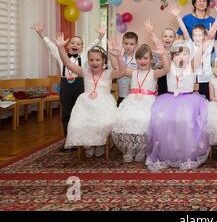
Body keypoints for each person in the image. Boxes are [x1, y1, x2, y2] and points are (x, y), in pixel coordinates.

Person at [31, 23, 105, 152]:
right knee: (66, 114)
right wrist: (41, 34)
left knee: (83, 113)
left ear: (82, 48)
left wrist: (100, 36)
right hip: (65, 86)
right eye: (72, 43)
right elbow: (51, 46)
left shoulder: (84, 56)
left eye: (78, 44)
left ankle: (84, 139)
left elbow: (93, 45)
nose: (75, 45)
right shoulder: (61, 55)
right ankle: (69, 141)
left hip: (80, 85)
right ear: (67, 45)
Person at [146, 38, 215, 171]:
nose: (181, 57)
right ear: (172, 57)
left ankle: (186, 154)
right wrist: (151, 34)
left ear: (189, 56)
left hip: (189, 101)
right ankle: (168, 154)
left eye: (184, 54)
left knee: (187, 123)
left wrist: (207, 39)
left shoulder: (192, 65)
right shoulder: (169, 66)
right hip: (169, 100)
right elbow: (161, 50)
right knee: (164, 122)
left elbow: (201, 51)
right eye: (177, 54)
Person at [55, 34, 125, 158]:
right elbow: (67, 62)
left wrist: (118, 56)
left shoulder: (108, 73)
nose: (94, 62)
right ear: (88, 61)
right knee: (80, 122)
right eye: (91, 60)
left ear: (103, 61)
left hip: (104, 105)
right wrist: (61, 48)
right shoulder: (84, 72)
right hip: (86, 104)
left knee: (102, 123)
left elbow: (122, 72)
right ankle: (90, 144)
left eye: (98, 60)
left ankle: (100, 144)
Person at [112, 42, 169, 163]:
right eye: (139, 58)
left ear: (151, 60)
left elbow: (167, 69)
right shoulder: (133, 72)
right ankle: (129, 149)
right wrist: (118, 56)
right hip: (132, 102)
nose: (142, 61)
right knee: (125, 118)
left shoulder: (154, 73)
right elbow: (121, 69)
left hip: (148, 103)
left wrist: (163, 55)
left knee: (145, 120)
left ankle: (142, 149)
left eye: (145, 58)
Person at [170, 2, 217, 100]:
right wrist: (178, 16)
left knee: (205, 100)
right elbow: (184, 31)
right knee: (191, 99)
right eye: (194, 35)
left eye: (199, 35)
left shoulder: (208, 44)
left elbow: (213, 29)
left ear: (204, 36)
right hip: (191, 77)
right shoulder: (190, 44)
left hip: (205, 77)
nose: (196, 38)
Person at [144, 20, 177, 95]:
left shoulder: (176, 50)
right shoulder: (159, 51)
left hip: (173, 78)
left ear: (174, 39)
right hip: (162, 78)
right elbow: (153, 66)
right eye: (165, 36)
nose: (167, 38)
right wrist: (151, 32)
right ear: (161, 38)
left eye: (170, 37)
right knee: (162, 95)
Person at [117, 32, 138, 106]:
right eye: (126, 43)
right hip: (120, 96)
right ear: (122, 44)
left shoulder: (139, 59)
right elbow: (116, 71)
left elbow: (138, 75)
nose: (128, 46)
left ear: (136, 45)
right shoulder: (119, 58)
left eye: (131, 44)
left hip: (133, 97)